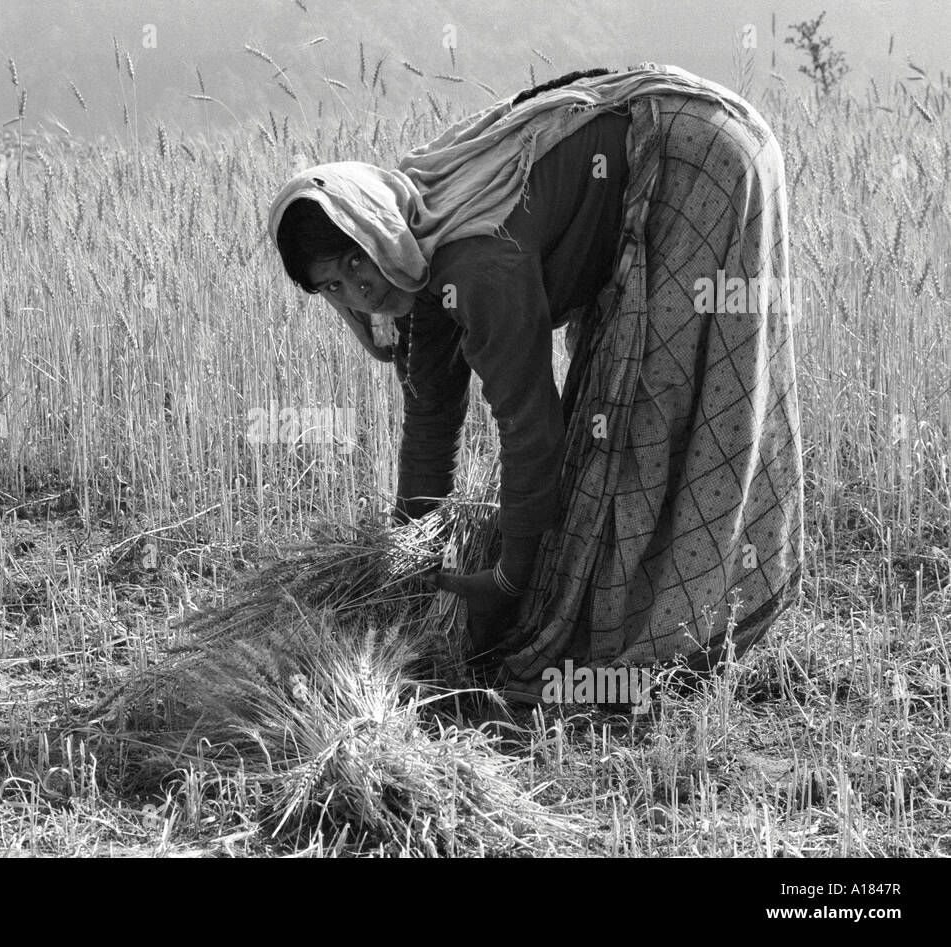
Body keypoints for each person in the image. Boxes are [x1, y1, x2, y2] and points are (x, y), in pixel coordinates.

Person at [267, 64, 804, 699]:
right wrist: (407, 565)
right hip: (666, 140)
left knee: (647, 413)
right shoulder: (411, 253)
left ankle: (675, 641)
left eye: (356, 259)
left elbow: (531, 429)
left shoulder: (472, 262)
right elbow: (431, 417)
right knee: (618, 426)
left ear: (374, 228)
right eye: (333, 284)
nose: (359, 290)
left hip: (696, 160)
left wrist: (509, 580)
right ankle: (622, 616)